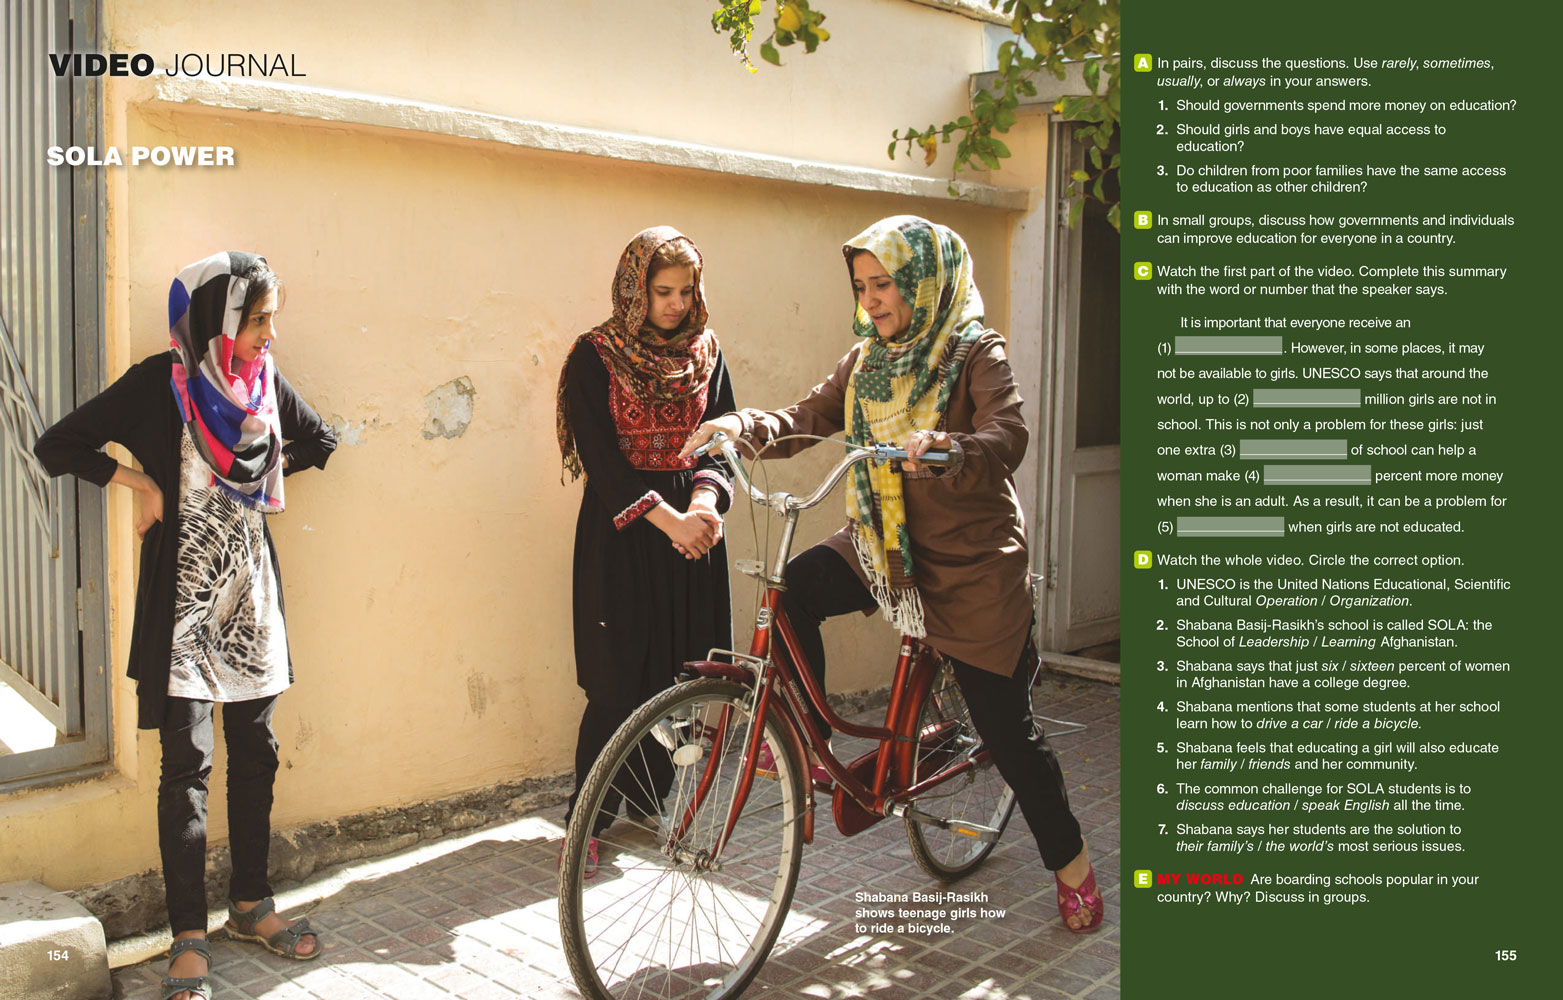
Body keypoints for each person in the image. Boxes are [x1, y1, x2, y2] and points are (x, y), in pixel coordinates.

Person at [680, 215, 1103, 933]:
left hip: (970, 564)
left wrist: (951, 447)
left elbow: (1009, 434)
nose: (871, 300)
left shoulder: (974, 351)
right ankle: (815, 751)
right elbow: (807, 417)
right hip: (882, 543)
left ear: (923, 281)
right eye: (861, 286)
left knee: (1008, 735)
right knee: (791, 594)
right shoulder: (866, 360)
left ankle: (1072, 867)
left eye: (884, 284)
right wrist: (741, 427)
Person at [35, 252, 336, 1000]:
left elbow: (321, 441)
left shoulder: (262, 385)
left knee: (257, 755)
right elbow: (57, 445)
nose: (269, 335)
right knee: (186, 771)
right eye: (257, 320)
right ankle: (188, 936)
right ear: (216, 321)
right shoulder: (157, 385)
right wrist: (142, 482)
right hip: (183, 612)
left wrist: (261, 472)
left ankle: (251, 905)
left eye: (270, 320)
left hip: (251, 603)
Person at [555, 227, 736, 874]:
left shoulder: (706, 352)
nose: (676, 304)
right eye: (662, 292)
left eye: (686, 291)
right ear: (635, 290)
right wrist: (671, 520)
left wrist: (705, 505)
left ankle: (646, 797)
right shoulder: (594, 356)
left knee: (678, 678)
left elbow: (720, 441)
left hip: (689, 536)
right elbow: (602, 463)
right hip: (625, 534)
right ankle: (585, 821)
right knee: (615, 682)